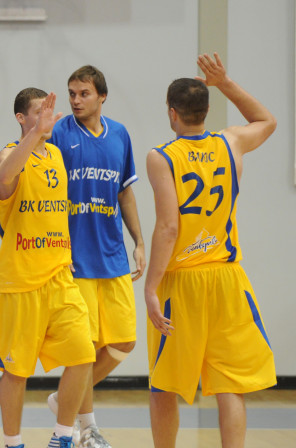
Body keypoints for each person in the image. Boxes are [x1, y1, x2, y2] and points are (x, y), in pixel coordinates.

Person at [145, 53, 277, 448]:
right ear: (205, 110)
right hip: (226, 278)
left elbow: (169, 227)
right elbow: (267, 121)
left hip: (181, 281)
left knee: (164, 385)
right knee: (228, 385)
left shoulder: (161, 156)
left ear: (172, 113)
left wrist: (151, 287)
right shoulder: (230, 142)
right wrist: (225, 83)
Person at [0, 88, 95, 448]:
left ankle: (62, 437)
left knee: (83, 355)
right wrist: (34, 135)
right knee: (16, 371)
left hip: (60, 276)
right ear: (22, 118)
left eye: (51, 112)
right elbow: (4, 178)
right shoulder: (10, 153)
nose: (49, 118)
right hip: (20, 282)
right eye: (40, 112)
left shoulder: (56, 156)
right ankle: (12, 442)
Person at [47, 65, 145, 446]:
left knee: (124, 342)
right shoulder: (59, 133)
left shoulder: (119, 134)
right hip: (75, 258)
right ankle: (86, 427)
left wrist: (138, 241)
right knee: (83, 349)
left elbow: (125, 193)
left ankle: (63, 399)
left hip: (113, 255)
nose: (75, 100)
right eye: (71, 93)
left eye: (83, 93)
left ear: (102, 96)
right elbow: (47, 193)